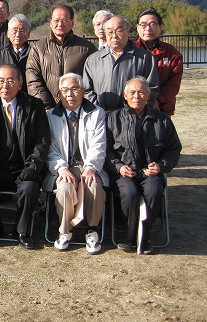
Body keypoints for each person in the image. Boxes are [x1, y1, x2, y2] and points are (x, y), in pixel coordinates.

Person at [0, 65, 50, 249]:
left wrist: (32, 167)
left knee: (29, 188)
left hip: (23, 167)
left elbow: (42, 141)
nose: (5, 85)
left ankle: (21, 232)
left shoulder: (34, 106)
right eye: (1, 80)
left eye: (11, 80)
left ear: (20, 84)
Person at [105, 77, 181, 254]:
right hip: (124, 173)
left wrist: (161, 166)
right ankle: (130, 238)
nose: (136, 96)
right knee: (130, 193)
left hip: (151, 173)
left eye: (141, 92)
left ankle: (145, 238)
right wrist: (118, 167)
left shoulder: (162, 120)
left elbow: (173, 149)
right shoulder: (113, 119)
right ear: (125, 96)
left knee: (154, 191)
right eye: (132, 92)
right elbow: (106, 151)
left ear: (148, 96)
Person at [44, 73, 107, 254]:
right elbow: (49, 147)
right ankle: (65, 231)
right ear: (59, 95)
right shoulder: (51, 116)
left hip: (88, 165)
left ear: (83, 91)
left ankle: (92, 230)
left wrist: (90, 168)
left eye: (74, 89)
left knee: (93, 185)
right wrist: (61, 168)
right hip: (63, 166)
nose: (69, 94)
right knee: (64, 188)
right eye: (64, 90)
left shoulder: (96, 113)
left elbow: (99, 144)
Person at [26, 4, 96, 109]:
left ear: (72, 23)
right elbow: (33, 79)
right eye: (56, 20)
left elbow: (92, 80)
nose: (60, 24)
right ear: (50, 23)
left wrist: (82, 104)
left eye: (64, 20)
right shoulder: (38, 47)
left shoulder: (87, 48)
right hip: (48, 110)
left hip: (79, 108)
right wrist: (45, 106)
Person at [83, 15, 159, 112]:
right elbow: (87, 90)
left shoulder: (144, 58)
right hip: (101, 118)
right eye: (110, 32)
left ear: (128, 31)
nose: (114, 36)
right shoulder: (93, 60)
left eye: (119, 31)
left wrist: (135, 112)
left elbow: (151, 89)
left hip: (133, 117)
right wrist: (98, 112)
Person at [134, 7, 183, 115]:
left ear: (160, 28)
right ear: (137, 28)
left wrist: (157, 100)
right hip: (134, 106)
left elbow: (173, 84)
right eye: (143, 25)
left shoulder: (171, 52)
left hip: (162, 107)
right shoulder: (130, 50)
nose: (148, 29)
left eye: (152, 24)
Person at [0, 14, 33, 92]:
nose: (18, 34)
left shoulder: (35, 54)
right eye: (14, 30)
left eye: (22, 30)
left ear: (28, 34)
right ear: (8, 33)